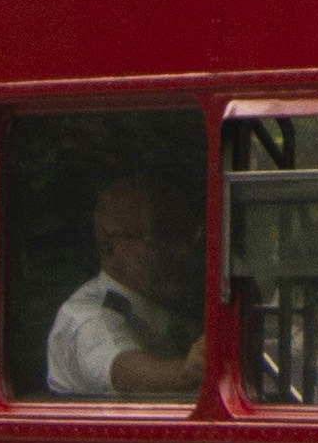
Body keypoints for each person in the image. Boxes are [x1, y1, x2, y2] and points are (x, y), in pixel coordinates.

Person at [46, 169, 205, 402]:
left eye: (187, 236)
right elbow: (123, 374)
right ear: (107, 247)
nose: (183, 251)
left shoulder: (165, 309)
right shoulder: (87, 317)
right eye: (162, 239)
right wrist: (187, 372)